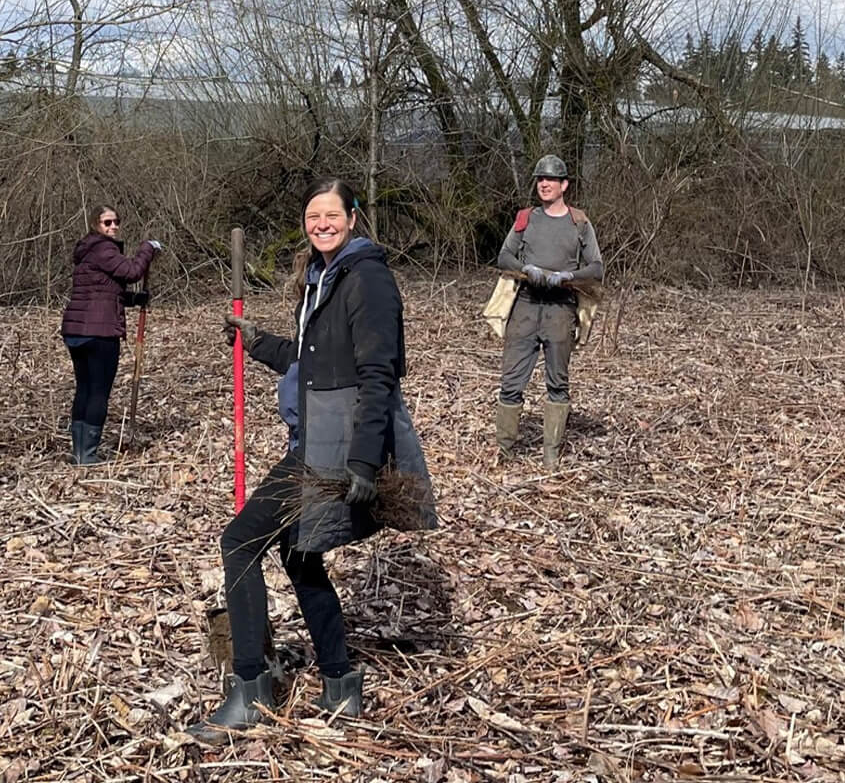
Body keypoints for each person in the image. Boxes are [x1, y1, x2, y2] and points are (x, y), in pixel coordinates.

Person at [192, 179, 435, 742]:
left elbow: (379, 375)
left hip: (335, 448)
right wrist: (256, 341)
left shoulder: (367, 278)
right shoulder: (321, 278)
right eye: (311, 216)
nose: (321, 223)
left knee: (241, 541)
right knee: (300, 556)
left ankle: (250, 687)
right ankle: (340, 680)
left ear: (352, 217)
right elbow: (310, 360)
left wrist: (365, 464)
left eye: (331, 214)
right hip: (314, 440)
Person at [491, 154, 604, 464]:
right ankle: (504, 451)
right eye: (540, 179)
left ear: (564, 185)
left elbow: (596, 267)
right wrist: (525, 268)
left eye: (551, 179)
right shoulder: (525, 218)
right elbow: (504, 256)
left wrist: (569, 276)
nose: (544, 184)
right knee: (511, 381)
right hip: (525, 306)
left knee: (558, 382)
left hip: (560, 309)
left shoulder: (579, 222)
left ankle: (551, 454)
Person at [58, 205, 159, 465]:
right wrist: (148, 248)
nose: (113, 226)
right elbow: (132, 271)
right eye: (107, 222)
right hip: (98, 332)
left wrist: (134, 299)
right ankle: (88, 456)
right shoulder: (104, 248)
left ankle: (80, 452)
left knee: (84, 389)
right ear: (96, 225)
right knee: (98, 392)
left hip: (76, 331)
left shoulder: (86, 253)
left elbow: (103, 292)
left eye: (116, 221)